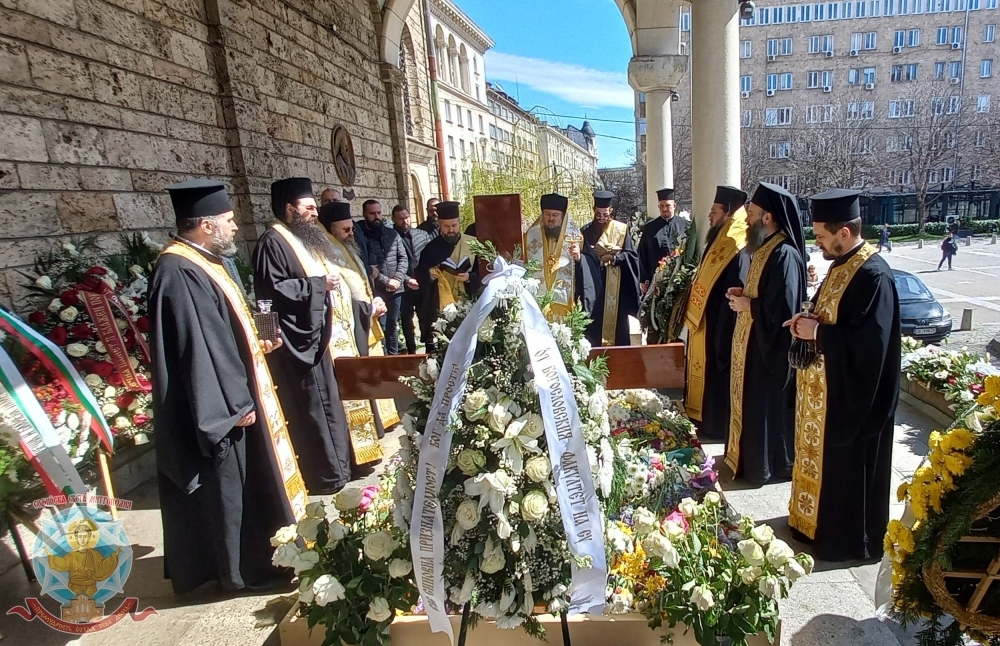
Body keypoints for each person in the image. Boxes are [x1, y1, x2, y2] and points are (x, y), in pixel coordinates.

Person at [150, 179, 306, 594]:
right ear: (204, 224)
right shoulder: (178, 271)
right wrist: (233, 405)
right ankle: (242, 569)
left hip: (234, 392)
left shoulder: (203, 261)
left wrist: (258, 341)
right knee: (232, 486)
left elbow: (223, 330)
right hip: (220, 406)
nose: (236, 227)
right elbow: (200, 348)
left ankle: (269, 554)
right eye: (229, 220)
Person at [786, 188, 900, 562]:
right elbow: (832, 316)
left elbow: (871, 346)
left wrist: (817, 333)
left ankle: (845, 540)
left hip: (854, 400)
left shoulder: (873, 274)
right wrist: (806, 321)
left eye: (820, 235)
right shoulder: (840, 265)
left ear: (844, 233)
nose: (816, 242)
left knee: (847, 471)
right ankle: (812, 523)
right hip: (826, 389)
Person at [252, 177, 354, 495]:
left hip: (316, 338)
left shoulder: (301, 239)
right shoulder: (272, 243)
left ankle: (340, 469)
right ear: (289, 209)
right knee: (312, 408)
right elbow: (275, 291)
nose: (314, 213)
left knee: (329, 405)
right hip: (297, 343)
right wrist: (319, 285)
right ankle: (325, 475)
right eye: (309, 207)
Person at [725, 182, 807, 487]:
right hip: (754, 345)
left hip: (768, 351)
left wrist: (750, 304)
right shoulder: (764, 247)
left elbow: (784, 310)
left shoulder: (784, 253)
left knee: (764, 408)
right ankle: (748, 460)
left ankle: (765, 467)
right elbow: (764, 294)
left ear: (768, 217)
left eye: (752, 213)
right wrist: (744, 294)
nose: (747, 219)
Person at [319, 201, 400, 444]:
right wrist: (367, 308)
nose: (351, 233)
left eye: (352, 229)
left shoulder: (348, 248)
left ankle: (381, 421)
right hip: (351, 326)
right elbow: (340, 297)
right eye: (346, 230)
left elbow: (361, 280)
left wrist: (375, 298)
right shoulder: (327, 256)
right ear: (331, 230)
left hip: (367, 316)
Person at [683, 186, 750, 442]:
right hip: (708, 319)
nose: (710, 216)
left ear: (728, 212)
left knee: (717, 370)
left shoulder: (736, 242)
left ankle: (715, 424)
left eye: (714, 211)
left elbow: (734, 283)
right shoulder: (720, 236)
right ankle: (703, 418)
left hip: (722, 320)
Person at [523, 193, 600, 323]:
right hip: (537, 304)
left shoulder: (576, 237)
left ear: (563, 216)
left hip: (565, 304)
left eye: (555, 215)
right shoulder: (530, 237)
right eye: (547, 214)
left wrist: (579, 258)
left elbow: (593, 266)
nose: (550, 219)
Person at [580, 190, 640, 346]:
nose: (601, 218)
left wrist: (613, 258)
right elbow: (581, 258)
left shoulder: (620, 230)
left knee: (617, 327)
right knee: (594, 325)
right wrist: (592, 255)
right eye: (598, 214)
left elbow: (632, 256)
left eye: (605, 214)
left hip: (615, 288)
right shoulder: (585, 232)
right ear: (594, 211)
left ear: (611, 211)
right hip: (592, 286)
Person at [416, 202, 480, 338]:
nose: (451, 230)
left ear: (459, 222)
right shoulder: (431, 248)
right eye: (446, 226)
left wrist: (470, 277)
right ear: (439, 224)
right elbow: (421, 273)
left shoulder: (473, 244)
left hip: (469, 301)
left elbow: (484, 273)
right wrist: (430, 275)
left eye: (454, 225)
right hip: (441, 304)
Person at [358, 200, 408, 355]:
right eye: (372, 213)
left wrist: (398, 280)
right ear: (365, 214)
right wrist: (386, 281)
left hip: (396, 289)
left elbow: (403, 258)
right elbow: (368, 267)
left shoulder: (392, 234)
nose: (376, 216)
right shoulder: (361, 237)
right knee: (380, 325)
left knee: (393, 325)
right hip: (377, 290)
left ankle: (394, 356)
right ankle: (383, 356)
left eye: (379, 213)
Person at [392, 205, 431, 354]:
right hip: (404, 285)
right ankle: (411, 350)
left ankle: (429, 347)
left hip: (423, 283)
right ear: (394, 219)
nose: (404, 221)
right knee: (407, 320)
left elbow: (429, 257)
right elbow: (392, 263)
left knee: (426, 316)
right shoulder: (391, 237)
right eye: (400, 218)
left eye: (406, 217)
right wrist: (407, 279)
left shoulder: (422, 235)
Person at [638, 188, 690, 293]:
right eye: (661, 206)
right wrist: (643, 279)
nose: (664, 209)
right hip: (655, 279)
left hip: (678, 279)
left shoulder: (685, 225)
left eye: (667, 205)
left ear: (674, 206)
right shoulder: (649, 227)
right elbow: (642, 254)